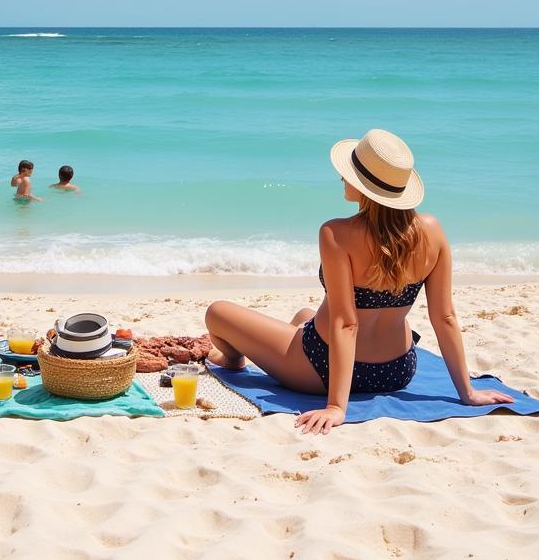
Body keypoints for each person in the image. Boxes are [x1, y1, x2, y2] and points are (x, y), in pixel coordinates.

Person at [205, 129, 513, 434]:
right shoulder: (432, 231)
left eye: (349, 173)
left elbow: (346, 324)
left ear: (364, 187)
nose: (342, 177)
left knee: (217, 312)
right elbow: (444, 316)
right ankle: (277, 346)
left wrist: (337, 406)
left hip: (323, 369)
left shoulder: (336, 234)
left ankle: (231, 359)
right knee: (303, 316)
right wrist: (467, 392)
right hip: (398, 369)